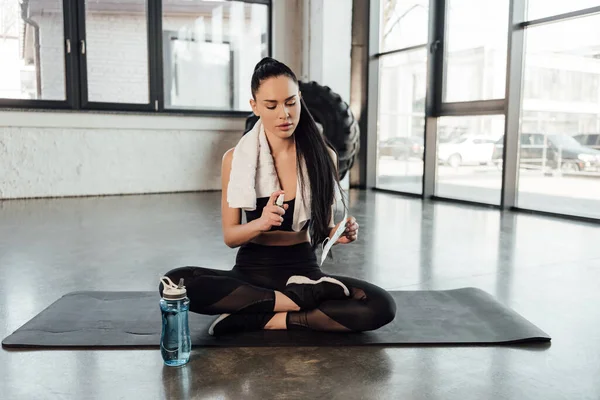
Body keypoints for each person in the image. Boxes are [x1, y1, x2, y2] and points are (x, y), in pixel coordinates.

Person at [160, 57, 396, 336]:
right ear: (255, 107)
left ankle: (261, 317)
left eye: (290, 102)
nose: (284, 114)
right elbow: (231, 236)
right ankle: (295, 303)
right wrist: (260, 223)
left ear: (300, 99)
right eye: (271, 106)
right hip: (252, 272)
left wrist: (336, 233)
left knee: (381, 306)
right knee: (174, 283)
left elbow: (320, 230)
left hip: (304, 271)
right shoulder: (235, 159)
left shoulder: (325, 156)